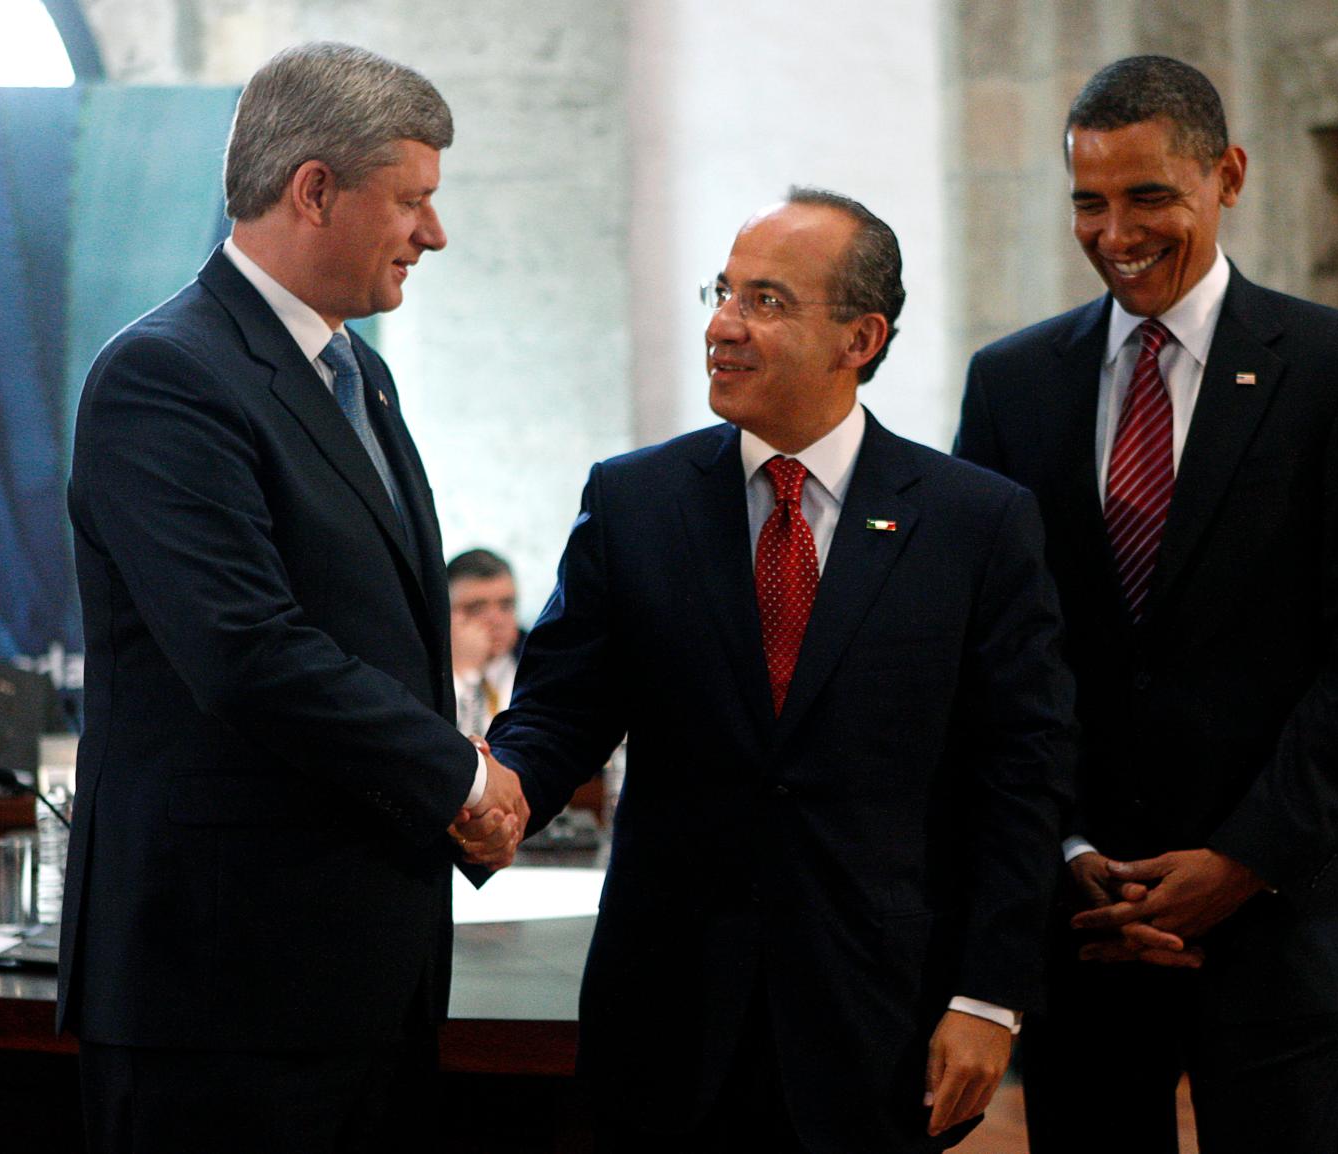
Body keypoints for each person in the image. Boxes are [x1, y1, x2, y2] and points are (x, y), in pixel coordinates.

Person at [469, 187, 1075, 1153]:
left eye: (766, 301)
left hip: (874, 1013)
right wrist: (497, 793)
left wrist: (989, 996)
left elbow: (1021, 776)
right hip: (665, 1007)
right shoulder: (637, 502)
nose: (723, 324)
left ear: (859, 338)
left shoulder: (975, 523)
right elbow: (561, 712)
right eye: (723, 292)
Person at [953, 55, 1338, 1154]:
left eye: (1148, 195)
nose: (1114, 229)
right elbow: (990, 650)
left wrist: (1241, 859)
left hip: (1271, 919)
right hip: (1083, 920)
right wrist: (1068, 844)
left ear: (1228, 175)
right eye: (1089, 199)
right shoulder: (1013, 382)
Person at [63, 42, 525, 1153]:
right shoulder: (167, 374)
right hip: (220, 992)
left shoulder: (360, 370)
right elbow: (246, 647)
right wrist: (459, 771)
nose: (435, 233)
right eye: (412, 200)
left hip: (358, 975)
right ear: (315, 188)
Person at [447, 547, 525, 736]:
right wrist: (464, 675)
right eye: (476, 608)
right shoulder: (422, 674)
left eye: (506, 605)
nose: (496, 620)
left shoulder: (542, 664)